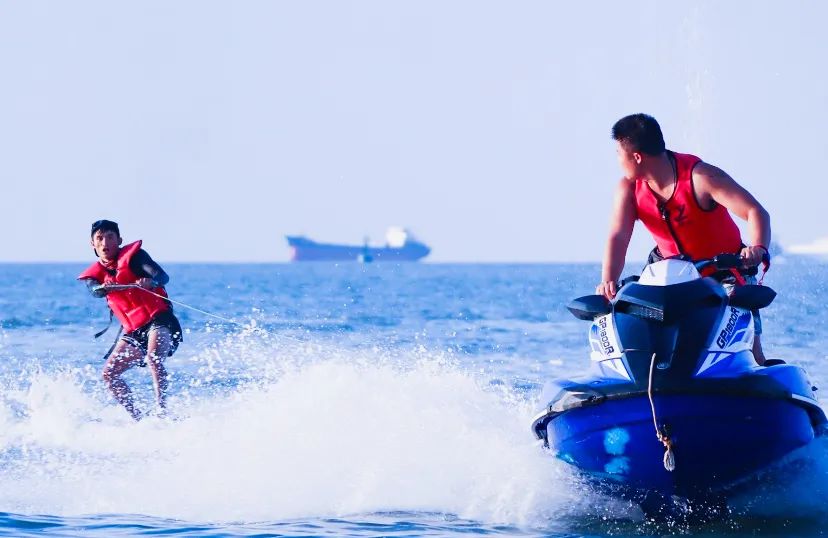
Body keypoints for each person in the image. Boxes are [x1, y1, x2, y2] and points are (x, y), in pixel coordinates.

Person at [597, 114, 771, 364]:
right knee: (646, 339)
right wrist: (608, 281)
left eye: (618, 153)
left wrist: (757, 248)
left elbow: (755, 212)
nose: (617, 160)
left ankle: (757, 372)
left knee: (751, 353)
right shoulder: (629, 189)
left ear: (637, 157)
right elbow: (618, 236)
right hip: (669, 277)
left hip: (725, 271)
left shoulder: (701, 178)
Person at [78, 220, 182, 419]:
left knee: (153, 358)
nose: (104, 242)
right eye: (99, 238)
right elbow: (94, 291)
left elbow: (163, 276)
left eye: (110, 237)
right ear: (92, 244)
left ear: (119, 240)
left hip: (160, 319)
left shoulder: (136, 257)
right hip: (134, 330)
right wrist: (103, 288)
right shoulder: (94, 276)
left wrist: (151, 282)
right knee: (109, 374)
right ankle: (138, 419)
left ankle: (162, 411)